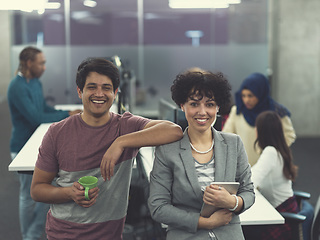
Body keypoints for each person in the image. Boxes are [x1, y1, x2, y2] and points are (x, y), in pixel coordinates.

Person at [30, 57, 183, 240]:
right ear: (80, 91)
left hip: (109, 235)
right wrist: (70, 193)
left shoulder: (125, 126)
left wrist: (121, 142)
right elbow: (37, 190)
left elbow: (174, 131)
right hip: (64, 234)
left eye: (106, 88)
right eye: (92, 87)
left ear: (115, 92)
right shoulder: (57, 133)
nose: (99, 93)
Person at [148, 70, 255, 239]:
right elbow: (158, 207)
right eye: (194, 104)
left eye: (210, 104)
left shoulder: (233, 144)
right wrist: (206, 222)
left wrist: (232, 202)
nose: (202, 111)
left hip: (228, 233)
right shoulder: (167, 150)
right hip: (186, 235)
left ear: (218, 107)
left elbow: (248, 191)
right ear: (182, 105)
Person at [7, 46, 81, 240]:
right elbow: (35, 117)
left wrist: (66, 114)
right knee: (27, 196)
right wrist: (66, 115)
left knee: (45, 191)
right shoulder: (17, 87)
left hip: (37, 144)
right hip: (22, 147)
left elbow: (43, 108)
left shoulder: (35, 83)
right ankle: (27, 236)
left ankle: (32, 233)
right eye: (41, 63)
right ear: (29, 63)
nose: (45, 67)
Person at [222, 72, 296, 166]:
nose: (246, 100)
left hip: (270, 165)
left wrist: (273, 152)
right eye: (243, 96)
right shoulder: (238, 111)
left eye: (250, 96)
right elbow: (227, 135)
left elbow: (289, 135)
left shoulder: (277, 112)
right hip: (243, 166)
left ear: (261, 93)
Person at [250, 111, 299, 239]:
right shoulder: (278, 150)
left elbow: (251, 181)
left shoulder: (270, 152)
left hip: (281, 217)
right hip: (286, 210)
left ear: (261, 131)